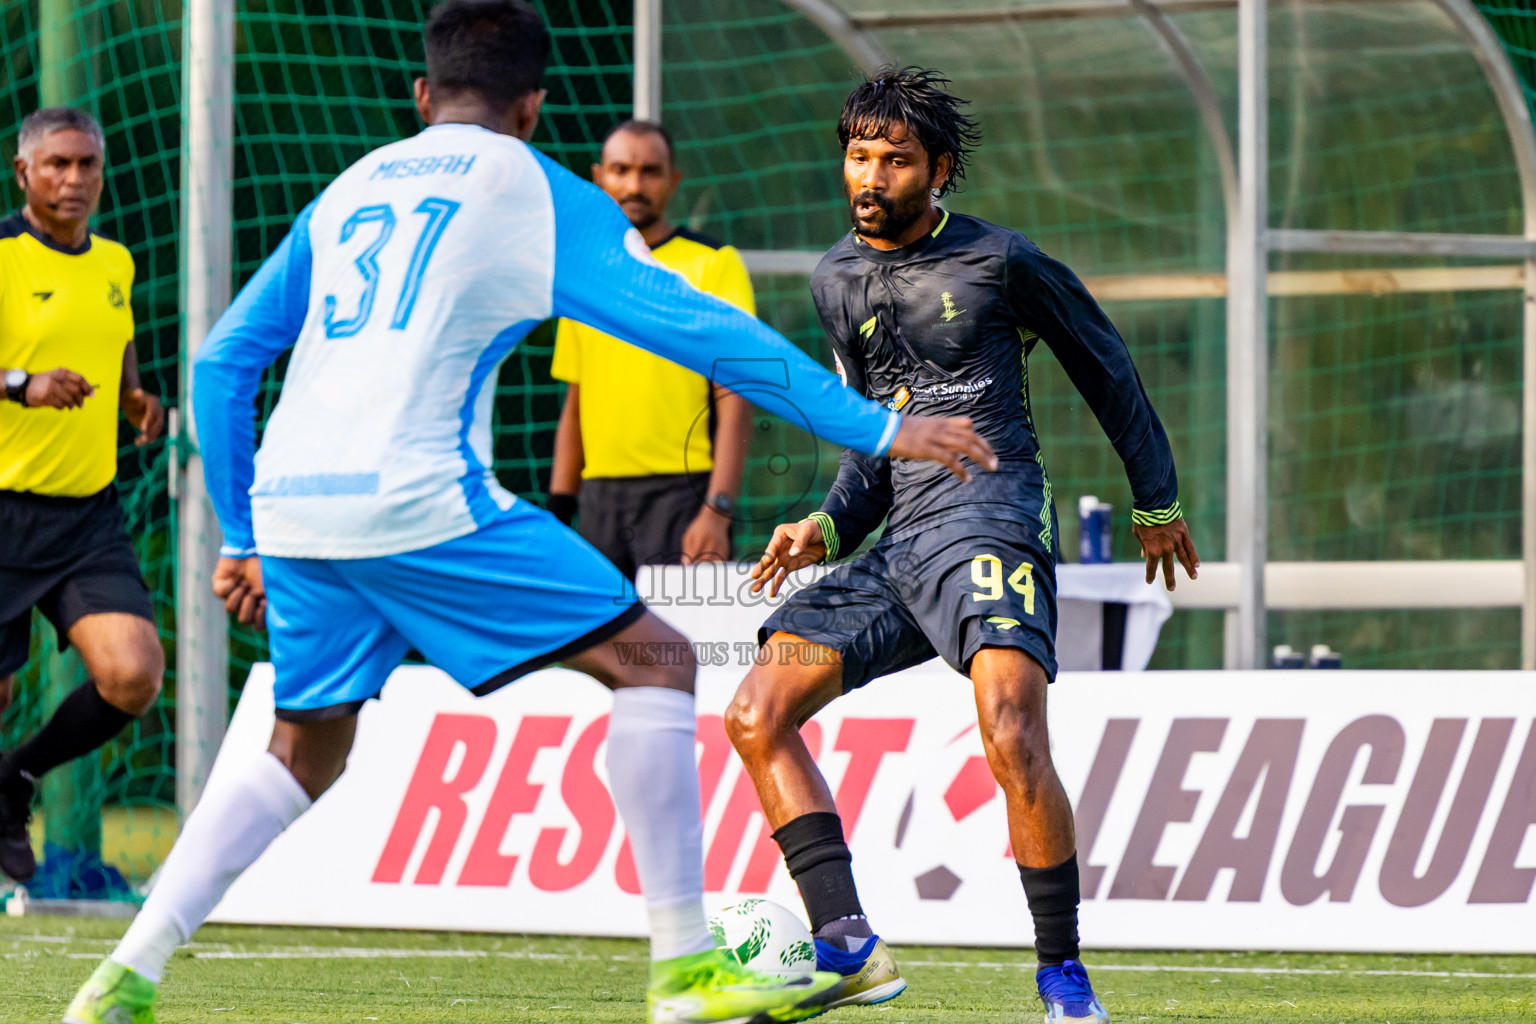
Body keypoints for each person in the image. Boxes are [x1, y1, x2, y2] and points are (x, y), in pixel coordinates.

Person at [62, 9, 995, 1024]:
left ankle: (126, 976)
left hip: (294, 509)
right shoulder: (538, 191)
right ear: (534, 107)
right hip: (417, 498)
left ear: (423, 97)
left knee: (306, 743)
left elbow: (219, 362)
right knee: (659, 661)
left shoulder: (349, 189)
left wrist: (240, 531)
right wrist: (876, 426)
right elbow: (703, 331)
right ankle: (685, 966)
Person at [722, 68, 1201, 1023]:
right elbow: (875, 432)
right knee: (754, 709)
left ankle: (1062, 975)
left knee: (1013, 734)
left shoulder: (1001, 260)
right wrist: (825, 526)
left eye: (896, 160)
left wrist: (1157, 500)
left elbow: (1107, 367)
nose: (872, 176)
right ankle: (846, 945)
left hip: (992, 521)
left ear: (938, 171)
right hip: (900, 549)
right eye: (860, 157)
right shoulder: (834, 279)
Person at [0, 106, 165, 885]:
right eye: (57, 165)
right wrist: (19, 385)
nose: (73, 180)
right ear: (23, 170)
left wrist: (135, 400)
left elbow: (118, 341)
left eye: (87, 165)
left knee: (134, 673)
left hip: (86, 515)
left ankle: (16, 779)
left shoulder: (115, 263)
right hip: (3, 511)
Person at [548, 120, 754, 576]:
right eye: (621, 170)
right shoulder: (582, 273)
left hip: (684, 499)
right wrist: (559, 515)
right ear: (599, 176)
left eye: (650, 172)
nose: (635, 185)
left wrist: (717, 512)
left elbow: (736, 398)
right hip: (598, 504)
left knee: (684, 648)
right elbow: (575, 406)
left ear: (673, 180)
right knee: (596, 648)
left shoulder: (713, 264)